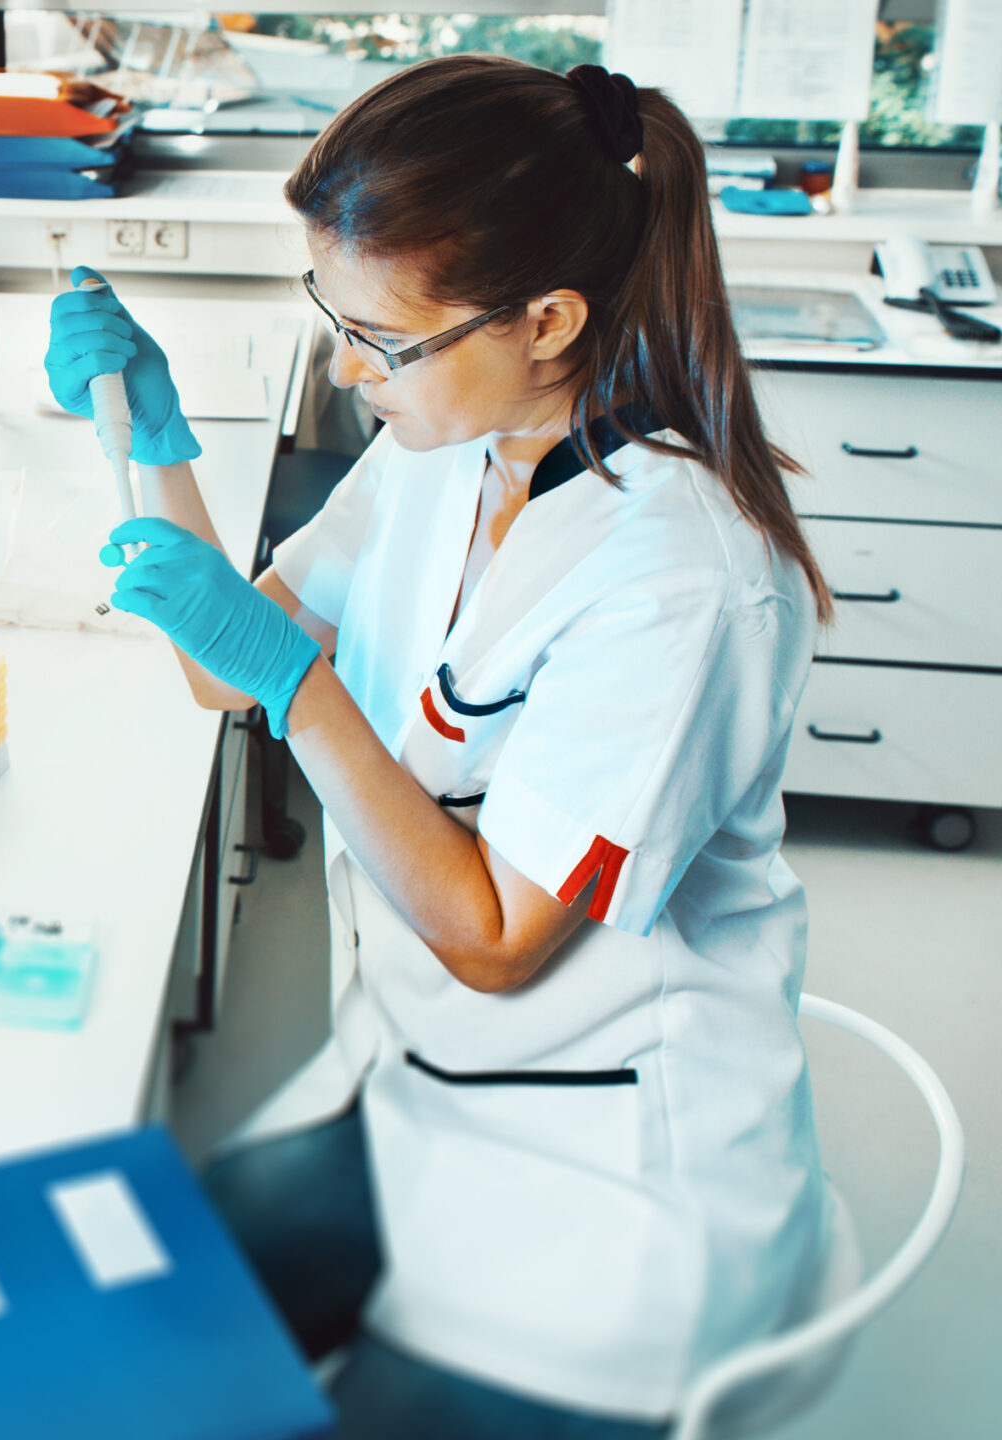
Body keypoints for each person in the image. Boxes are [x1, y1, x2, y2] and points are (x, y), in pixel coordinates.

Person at [45, 57, 834, 1438]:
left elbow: (495, 935)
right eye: (332, 319)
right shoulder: (442, 444)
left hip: (607, 1192)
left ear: (546, 320)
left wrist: (308, 693)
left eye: (383, 341)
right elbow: (217, 669)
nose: (351, 371)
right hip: (421, 1087)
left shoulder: (681, 580)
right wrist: (149, 448)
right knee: (103, 1340)